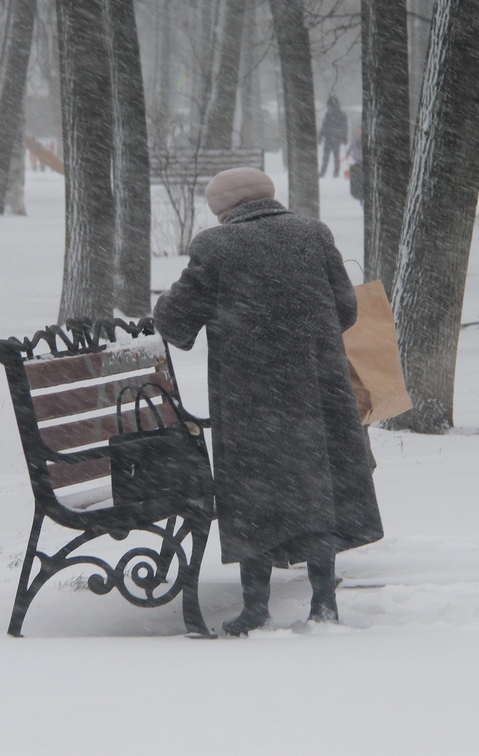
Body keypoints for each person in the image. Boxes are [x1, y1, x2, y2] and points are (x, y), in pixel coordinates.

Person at [152, 168, 384, 636]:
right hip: (318, 392)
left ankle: (255, 608)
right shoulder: (312, 233)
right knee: (315, 486)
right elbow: (346, 308)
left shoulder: (216, 246)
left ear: (225, 208)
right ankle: (323, 603)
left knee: (254, 492)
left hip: (251, 398)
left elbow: (176, 323)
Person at [318, 96, 348, 178]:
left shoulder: (331, 115)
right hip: (334, 138)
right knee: (333, 157)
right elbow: (344, 127)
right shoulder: (340, 115)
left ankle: (325, 172)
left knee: (328, 157)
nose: (329, 107)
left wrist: (320, 136)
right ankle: (333, 173)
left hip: (331, 138)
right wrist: (344, 137)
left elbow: (324, 126)